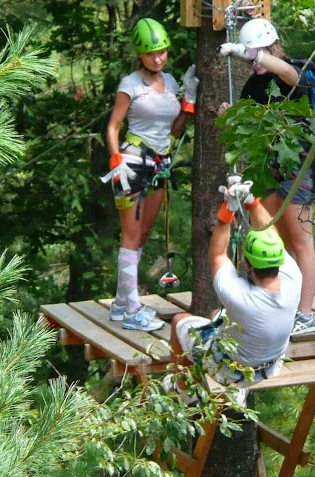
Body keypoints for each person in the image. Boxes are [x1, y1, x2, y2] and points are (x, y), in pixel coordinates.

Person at [218, 18, 315, 336]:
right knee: (276, 240)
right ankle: (284, 304)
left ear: (271, 48)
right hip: (269, 167)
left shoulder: (290, 72)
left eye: (259, 51)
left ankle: (305, 313)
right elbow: (250, 134)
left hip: (296, 167)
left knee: (301, 241)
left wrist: (253, 55)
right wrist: (230, 117)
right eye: (251, 53)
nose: (255, 58)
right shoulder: (252, 86)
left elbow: (291, 76)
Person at [166, 179, 302, 403]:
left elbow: (218, 254)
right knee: (214, 316)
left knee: (180, 321)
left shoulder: (241, 298)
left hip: (228, 369)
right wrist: (250, 200)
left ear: (247, 265)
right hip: (268, 367)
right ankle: (236, 390)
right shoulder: (293, 277)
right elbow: (271, 236)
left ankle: (183, 391)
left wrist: (226, 212)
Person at [104, 18, 198, 332]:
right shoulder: (130, 84)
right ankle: (132, 309)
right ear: (140, 55)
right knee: (130, 238)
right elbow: (113, 126)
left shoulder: (170, 82)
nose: (157, 58)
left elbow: (175, 130)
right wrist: (116, 159)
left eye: (162, 52)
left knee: (141, 236)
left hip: (159, 165)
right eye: (151, 53)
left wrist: (189, 100)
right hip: (132, 163)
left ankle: (121, 303)